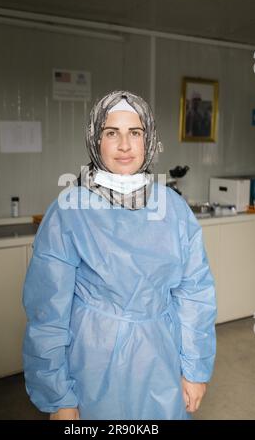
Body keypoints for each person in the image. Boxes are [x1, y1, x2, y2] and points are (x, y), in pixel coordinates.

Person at [22, 90, 217, 420]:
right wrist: (59, 398)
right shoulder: (70, 211)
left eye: (135, 133)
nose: (125, 146)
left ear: (149, 139)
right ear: (95, 139)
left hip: (161, 365)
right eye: (112, 133)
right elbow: (48, 315)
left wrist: (195, 370)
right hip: (92, 368)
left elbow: (194, 294)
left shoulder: (174, 209)